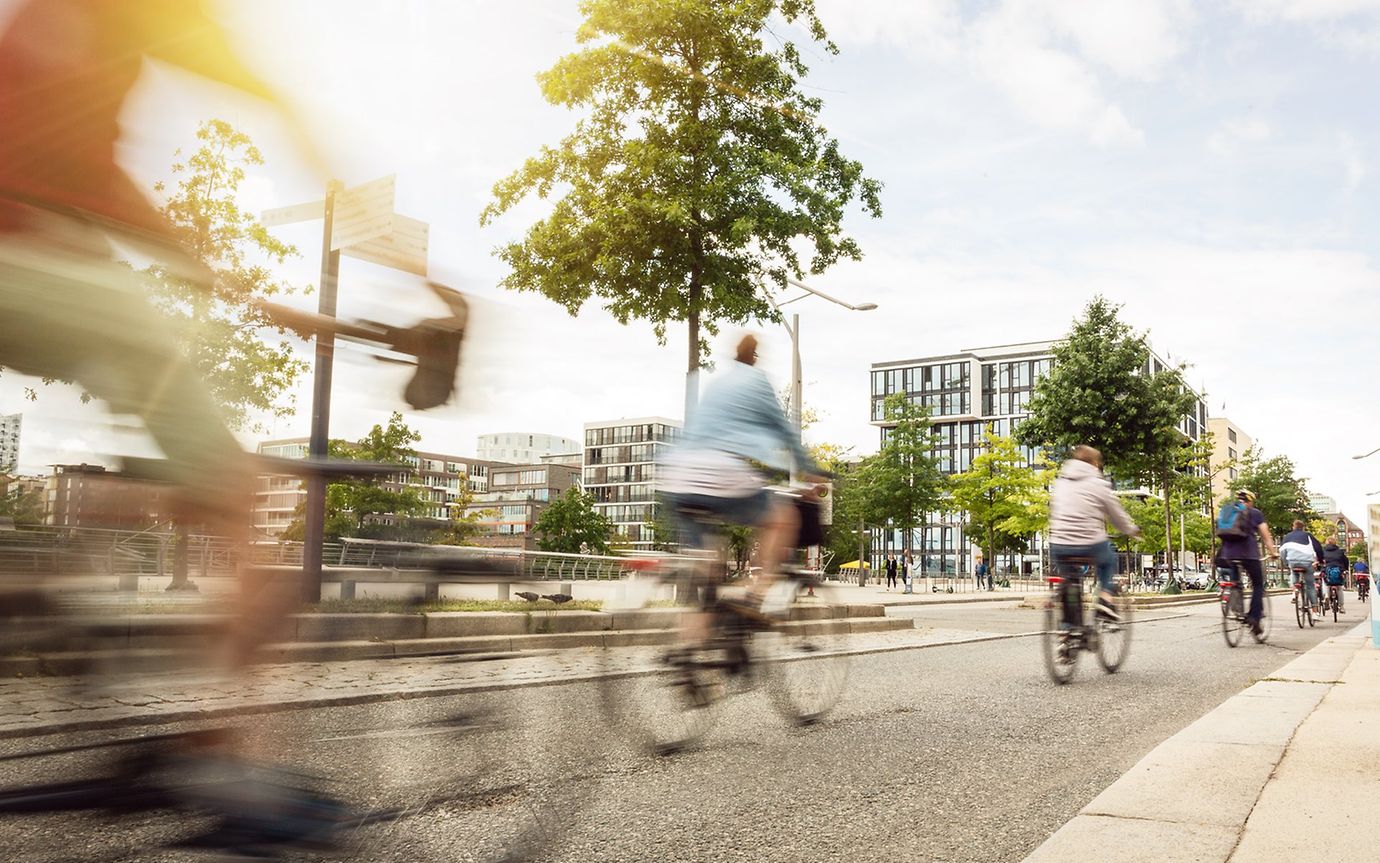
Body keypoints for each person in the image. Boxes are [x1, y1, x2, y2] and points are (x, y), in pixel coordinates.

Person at [660, 334, 824, 618]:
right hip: (719, 470)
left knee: (706, 567)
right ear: (755, 357)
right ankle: (754, 595)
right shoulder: (757, 382)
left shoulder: (717, 383)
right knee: (783, 518)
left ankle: (689, 651)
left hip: (677, 475)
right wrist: (808, 469)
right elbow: (785, 430)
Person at [1048, 445, 1141, 619]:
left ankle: (1067, 631)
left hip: (1058, 544)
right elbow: (1117, 515)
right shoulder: (1098, 483)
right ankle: (1105, 599)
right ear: (1094, 463)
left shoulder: (1060, 482)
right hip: (1089, 543)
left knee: (1070, 581)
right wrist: (1131, 530)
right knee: (1109, 558)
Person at [1217, 490, 1278, 635]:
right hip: (1249, 554)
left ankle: (1237, 610)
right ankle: (1254, 617)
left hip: (1228, 554)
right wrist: (1273, 552)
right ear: (1250, 501)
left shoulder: (1227, 510)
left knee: (1236, 583)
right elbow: (1265, 535)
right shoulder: (1255, 513)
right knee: (1258, 585)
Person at [1278, 519, 1324, 616]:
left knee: (1293, 571)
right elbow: (1318, 548)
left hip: (1293, 561)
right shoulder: (1308, 535)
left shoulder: (1287, 537)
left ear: (1293, 527)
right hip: (1307, 562)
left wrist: (1286, 562)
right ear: (1303, 528)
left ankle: (1295, 589)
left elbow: (1282, 552)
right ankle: (1315, 612)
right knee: (1310, 586)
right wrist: (1320, 560)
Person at [1321, 540, 1349, 613]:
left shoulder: (1323, 551)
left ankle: (1326, 596)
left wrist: (1322, 569)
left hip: (1327, 570)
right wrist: (1345, 569)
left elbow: (1320, 561)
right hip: (1338, 571)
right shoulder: (1340, 551)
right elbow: (1346, 561)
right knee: (1339, 588)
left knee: (1326, 583)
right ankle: (1341, 606)